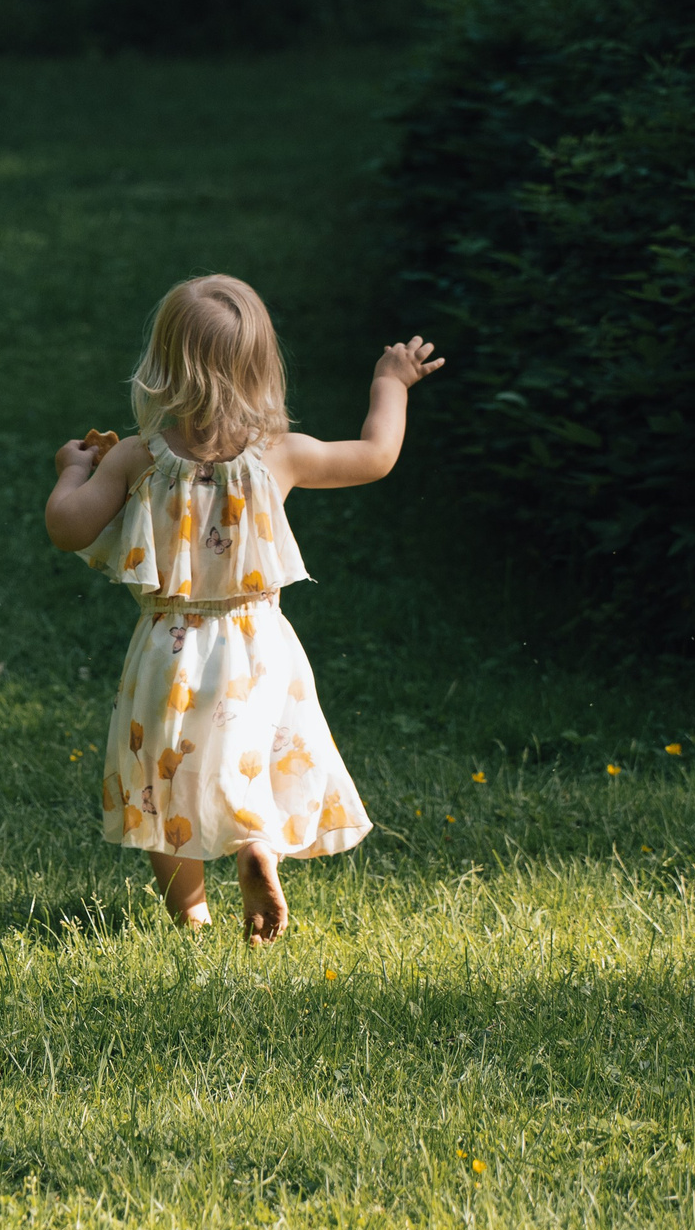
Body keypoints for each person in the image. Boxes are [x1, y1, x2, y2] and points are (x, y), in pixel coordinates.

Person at [43, 274, 442, 942]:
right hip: (259, 647)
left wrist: (72, 469)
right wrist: (390, 383)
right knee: (250, 757)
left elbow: (67, 528)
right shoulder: (278, 455)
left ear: (161, 367)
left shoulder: (139, 460)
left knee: (162, 785)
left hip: (167, 654)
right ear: (262, 367)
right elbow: (375, 456)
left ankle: (192, 919)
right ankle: (257, 844)